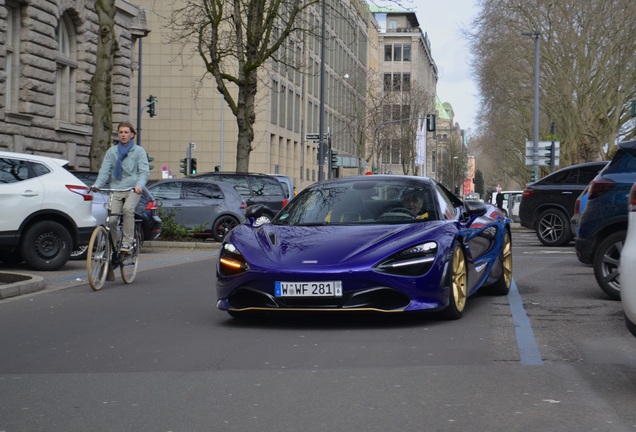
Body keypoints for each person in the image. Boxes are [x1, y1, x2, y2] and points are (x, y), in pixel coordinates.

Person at [92, 121, 149, 253]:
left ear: (132, 135)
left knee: (128, 210)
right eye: (121, 132)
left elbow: (144, 171)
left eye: (126, 132)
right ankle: (114, 245)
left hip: (132, 189)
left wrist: (139, 185)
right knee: (111, 220)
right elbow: (105, 171)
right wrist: (97, 184)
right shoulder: (112, 152)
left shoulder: (138, 151)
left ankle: (127, 243)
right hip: (116, 188)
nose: (123, 135)